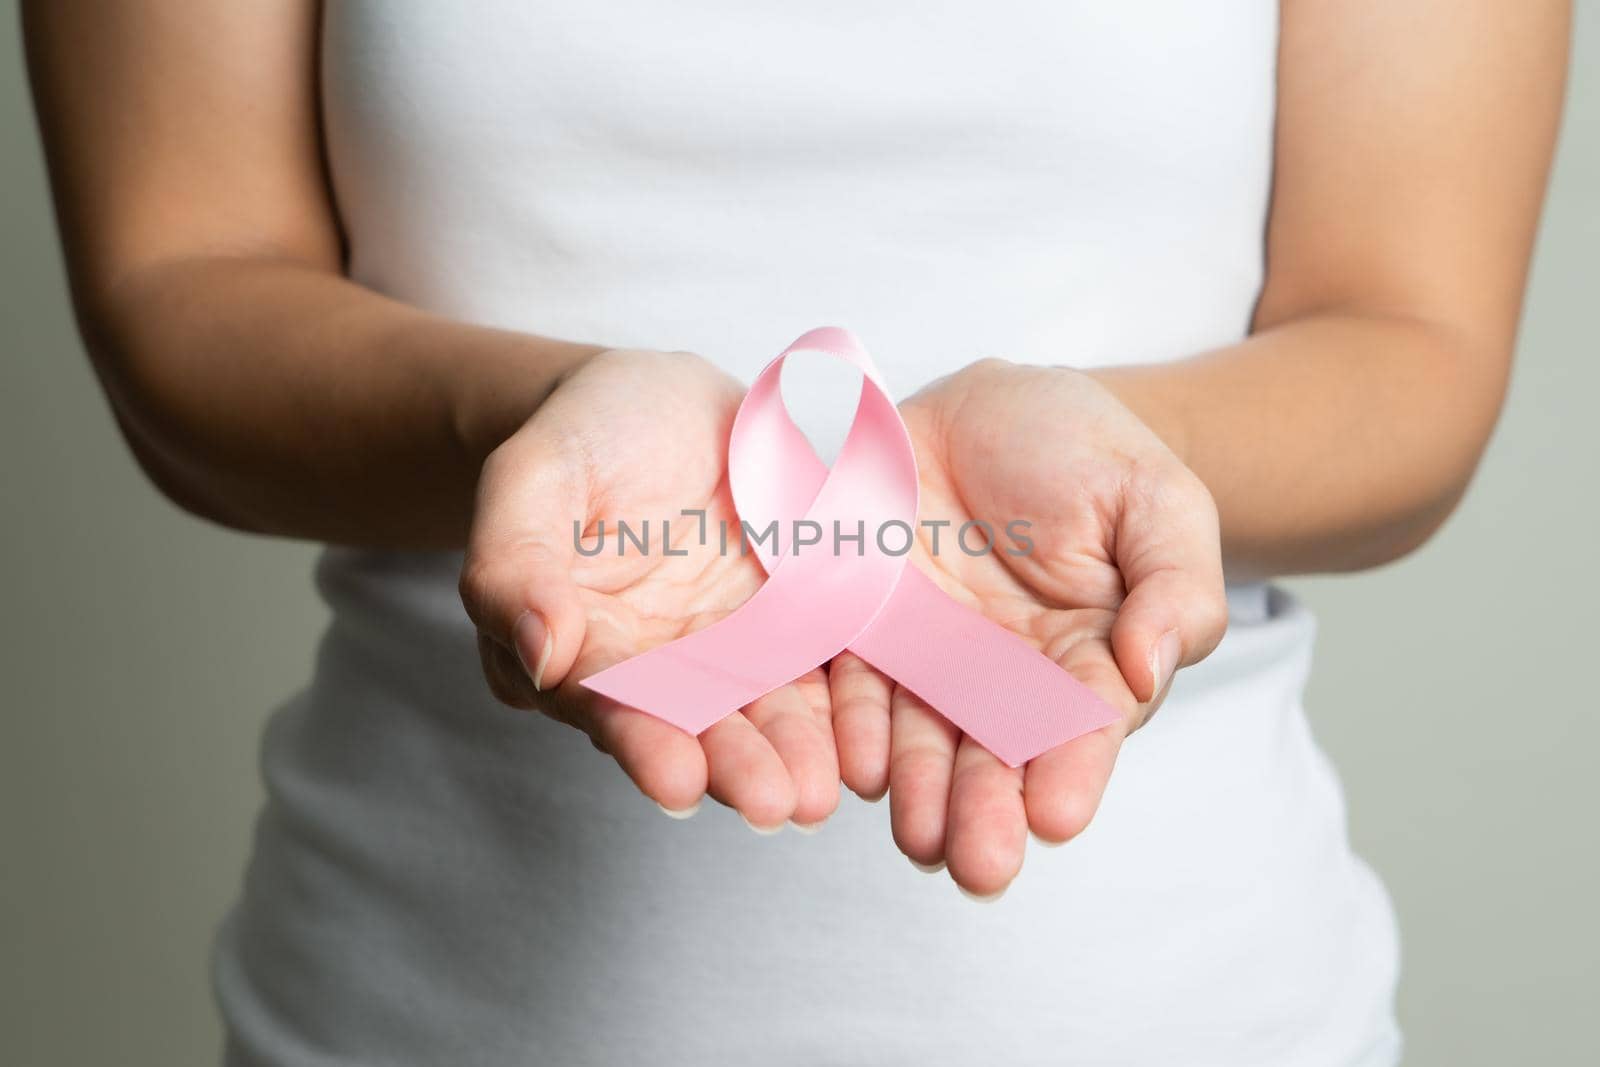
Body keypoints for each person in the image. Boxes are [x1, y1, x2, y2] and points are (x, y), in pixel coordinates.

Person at [24, 2, 1567, 1064]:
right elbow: (183, 284)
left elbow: (1411, 342)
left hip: (1188, 1006)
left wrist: (1118, 464)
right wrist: (533, 413)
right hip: (427, 999)